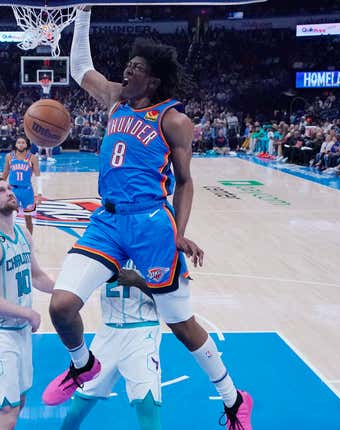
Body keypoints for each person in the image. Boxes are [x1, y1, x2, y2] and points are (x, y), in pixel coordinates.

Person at [42, 7, 253, 430]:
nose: (127, 69)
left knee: (181, 324)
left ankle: (233, 399)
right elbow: (82, 66)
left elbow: (186, 181)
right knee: (62, 305)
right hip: (107, 220)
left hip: (151, 222)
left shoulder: (175, 121)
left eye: (135, 67)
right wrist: (83, 13)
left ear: (152, 79)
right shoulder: (116, 98)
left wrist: (179, 232)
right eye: (128, 65)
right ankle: (82, 365)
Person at [0, 177, 54, 430]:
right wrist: (27, 313)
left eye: (9, 188)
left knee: (18, 404)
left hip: (19, 333)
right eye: (1, 191)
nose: (9, 192)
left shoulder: (22, 233)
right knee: (6, 413)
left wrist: (69, 291)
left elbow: (38, 276)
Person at [61, 261, 163, 430]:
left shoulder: (156, 248)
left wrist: (138, 282)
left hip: (142, 333)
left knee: (147, 408)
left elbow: (171, 298)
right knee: (76, 409)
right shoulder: (107, 246)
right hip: (107, 333)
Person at [2, 137, 42, 235]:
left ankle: (29, 242)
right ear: (15, 144)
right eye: (18, 142)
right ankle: (11, 240)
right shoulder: (9, 156)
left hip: (27, 191)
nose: (20, 144)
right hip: (13, 190)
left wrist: (40, 193)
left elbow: (38, 176)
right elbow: (5, 173)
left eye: (23, 142)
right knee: (11, 218)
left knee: (28, 219)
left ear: (26, 144)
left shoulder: (32, 158)